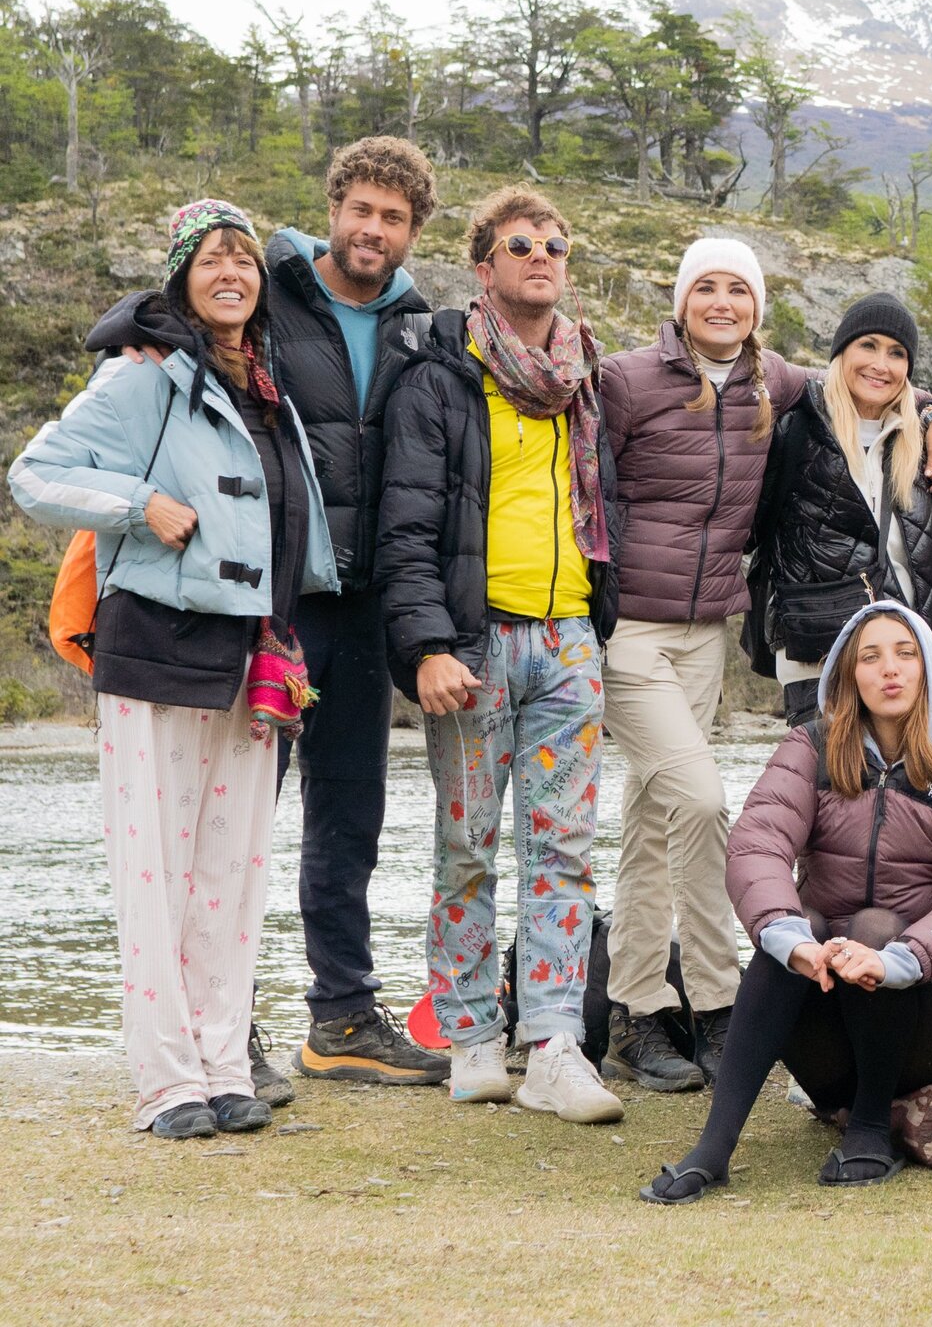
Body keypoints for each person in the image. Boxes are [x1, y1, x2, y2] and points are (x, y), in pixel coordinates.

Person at [87, 137, 445, 1100]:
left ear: (414, 234)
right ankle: (222, 1026)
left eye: (394, 219)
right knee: (231, 823)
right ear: (333, 209)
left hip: (367, 605)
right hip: (268, 603)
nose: (373, 231)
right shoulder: (271, 293)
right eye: (361, 210)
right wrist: (135, 331)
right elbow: (174, 314)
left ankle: (341, 1020)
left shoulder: (421, 325)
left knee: (350, 813)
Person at [10, 200, 338, 1138]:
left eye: (245, 259)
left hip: (250, 653)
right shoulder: (140, 377)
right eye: (211, 260)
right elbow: (36, 473)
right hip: (155, 644)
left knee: (231, 874)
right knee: (153, 871)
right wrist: (138, 501)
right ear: (181, 278)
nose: (231, 273)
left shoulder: (262, 384)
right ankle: (165, 1081)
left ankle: (223, 1063)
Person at [597, 242, 932, 1094]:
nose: (722, 302)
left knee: (655, 815)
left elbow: (879, 368)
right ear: (680, 298)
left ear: (758, 309)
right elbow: (589, 478)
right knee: (704, 800)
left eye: (739, 291)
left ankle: (636, 1013)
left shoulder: (772, 385)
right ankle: (724, 1001)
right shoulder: (627, 379)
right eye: (706, 288)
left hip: (703, 632)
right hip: (630, 626)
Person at [375, 185, 624, 1124]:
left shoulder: (585, 379)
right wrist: (428, 645)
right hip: (476, 646)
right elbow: (405, 528)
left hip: (569, 644)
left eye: (556, 243)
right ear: (485, 265)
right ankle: (474, 1037)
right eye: (521, 243)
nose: (542, 255)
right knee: (467, 848)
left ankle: (556, 1045)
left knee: (564, 851)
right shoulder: (442, 378)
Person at [640, 602, 932, 1204]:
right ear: (848, 674)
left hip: (929, 1015)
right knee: (799, 925)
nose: (889, 670)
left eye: (905, 654)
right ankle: (714, 1147)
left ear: (931, 672)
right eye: (870, 657)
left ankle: (870, 1127)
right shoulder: (809, 748)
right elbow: (757, 845)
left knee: (875, 927)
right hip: (824, 1009)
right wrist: (791, 939)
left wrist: (899, 959)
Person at [744, 292, 932, 726]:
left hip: (906, 658)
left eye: (897, 353)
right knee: (829, 787)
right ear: (841, 352)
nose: (882, 364)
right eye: (868, 346)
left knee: (904, 791)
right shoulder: (795, 426)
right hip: (815, 652)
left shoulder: (917, 441)